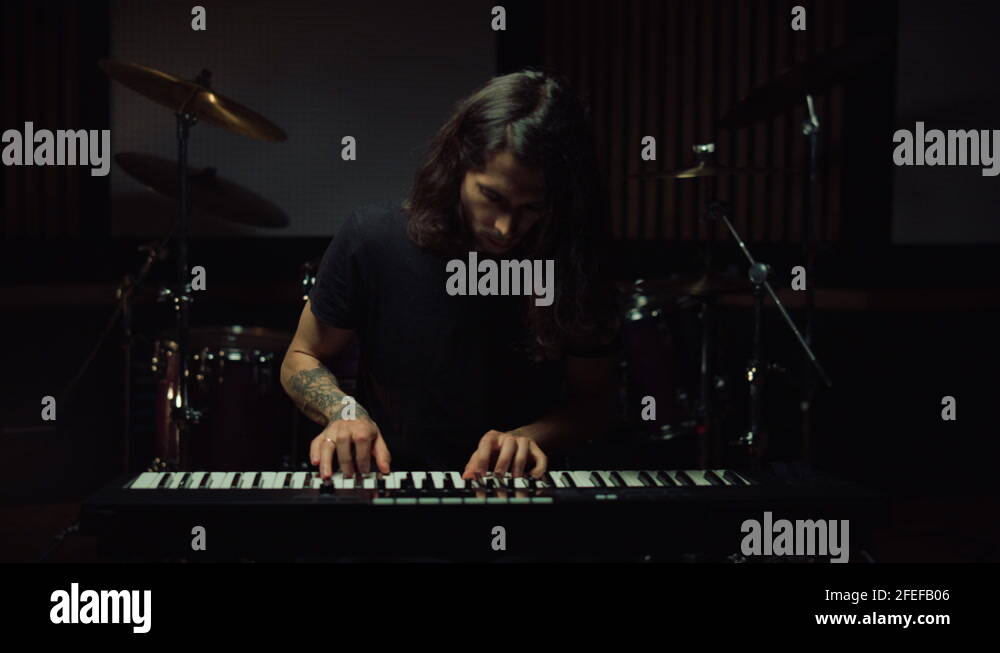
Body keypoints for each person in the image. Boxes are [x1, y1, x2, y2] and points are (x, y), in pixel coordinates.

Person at [280, 69, 618, 482]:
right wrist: (345, 412)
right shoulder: (373, 237)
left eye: (532, 208)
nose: (505, 228)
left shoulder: (577, 261)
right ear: (459, 163)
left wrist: (530, 437)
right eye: (492, 197)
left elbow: (595, 400)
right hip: (388, 491)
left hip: (520, 496)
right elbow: (301, 356)